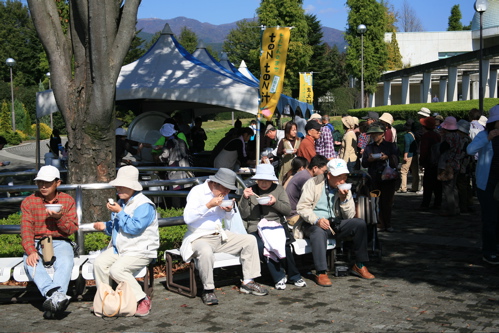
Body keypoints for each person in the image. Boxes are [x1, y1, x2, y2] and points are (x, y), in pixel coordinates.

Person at [181, 168, 268, 305]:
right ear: (215, 183)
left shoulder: (223, 193)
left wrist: (228, 211)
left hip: (219, 234)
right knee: (205, 251)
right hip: (199, 236)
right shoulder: (197, 191)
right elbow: (188, 218)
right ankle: (208, 290)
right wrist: (208, 205)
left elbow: (225, 218)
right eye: (225, 190)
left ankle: (248, 281)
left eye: (228, 191)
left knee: (250, 240)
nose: (226, 193)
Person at [92, 166, 159, 317]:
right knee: (99, 263)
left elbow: (134, 228)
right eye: (118, 185)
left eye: (123, 186)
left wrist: (119, 213)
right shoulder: (121, 203)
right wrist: (105, 226)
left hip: (141, 250)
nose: (119, 188)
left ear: (133, 187)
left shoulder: (144, 205)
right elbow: (119, 228)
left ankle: (142, 299)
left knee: (117, 270)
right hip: (122, 248)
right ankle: (107, 300)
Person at [296, 159, 374, 287]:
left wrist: (344, 200)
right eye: (339, 177)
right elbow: (302, 208)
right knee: (318, 231)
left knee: (359, 224)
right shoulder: (313, 184)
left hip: (335, 223)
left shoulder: (344, 188)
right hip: (312, 223)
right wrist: (317, 220)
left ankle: (360, 265)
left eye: (344, 177)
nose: (342, 181)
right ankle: (321, 272)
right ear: (329, 175)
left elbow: (349, 215)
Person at [20, 166, 78, 318]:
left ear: (57, 183)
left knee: (65, 260)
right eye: (40, 182)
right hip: (37, 241)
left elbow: (71, 229)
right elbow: (26, 230)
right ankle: (54, 294)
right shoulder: (29, 202)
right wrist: (31, 250)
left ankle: (54, 302)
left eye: (47, 182)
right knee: (30, 261)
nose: (43, 186)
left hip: (60, 240)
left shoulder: (67, 200)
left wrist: (59, 218)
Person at [239, 164, 306, 290]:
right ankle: (278, 277)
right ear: (257, 180)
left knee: (284, 245)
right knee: (262, 247)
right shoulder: (251, 190)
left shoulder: (279, 189)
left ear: (272, 180)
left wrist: (275, 203)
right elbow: (244, 214)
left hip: (276, 225)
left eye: (267, 181)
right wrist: (244, 198)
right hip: (256, 226)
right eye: (261, 180)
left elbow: (287, 210)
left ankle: (294, 275)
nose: (264, 183)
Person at [467, 104, 499, 264]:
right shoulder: (484, 135)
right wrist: (488, 138)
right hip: (487, 182)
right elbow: (470, 150)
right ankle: (490, 250)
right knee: (490, 218)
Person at [362, 125, 399, 232]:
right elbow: (364, 163)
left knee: (387, 202)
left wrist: (387, 157)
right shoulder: (369, 147)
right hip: (374, 177)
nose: (373, 136)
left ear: (382, 134)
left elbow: (396, 159)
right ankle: (379, 223)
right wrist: (369, 160)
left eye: (376, 134)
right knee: (375, 201)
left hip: (388, 178)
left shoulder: (390, 146)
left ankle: (388, 223)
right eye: (372, 134)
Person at [438, 116, 465, 217]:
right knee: (454, 187)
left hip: (447, 164)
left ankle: (451, 209)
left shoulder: (448, 137)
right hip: (456, 163)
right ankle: (456, 207)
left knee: (447, 187)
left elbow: (442, 149)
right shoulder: (458, 136)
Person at [158, 123, 192, 191]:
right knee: (185, 193)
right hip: (186, 171)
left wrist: (159, 157)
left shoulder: (169, 143)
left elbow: (165, 156)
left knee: (176, 196)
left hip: (175, 173)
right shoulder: (181, 141)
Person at [418, 116, 442, 210]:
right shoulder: (437, 135)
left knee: (428, 185)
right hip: (437, 162)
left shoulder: (426, 136)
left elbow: (423, 151)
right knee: (437, 185)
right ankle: (437, 203)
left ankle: (425, 204)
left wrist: (421, 162)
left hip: (429, 162)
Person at [456, 119, 473, 213]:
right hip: (468, 166)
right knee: (466, 186)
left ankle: (463, 206)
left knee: (462, 186)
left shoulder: (464, 140)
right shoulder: (469, 139)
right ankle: (469, 204)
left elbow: (461, 154)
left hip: (463, 166)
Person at [398, 120, 419, 193]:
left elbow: (407, 144)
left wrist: (405, 155)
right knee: (415, 172)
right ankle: (415, 187)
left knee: (404, 171)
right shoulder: (414, 134)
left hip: (409, 155)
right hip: (415, 154)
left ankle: (403, 187)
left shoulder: (406, 135)